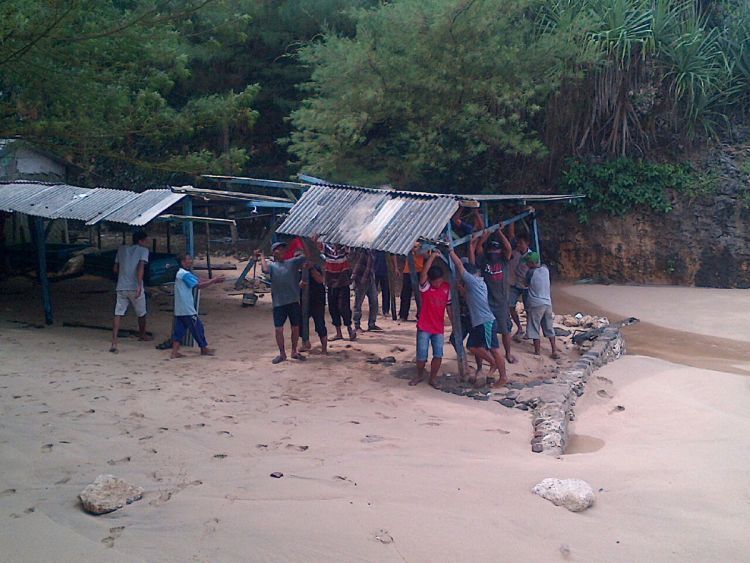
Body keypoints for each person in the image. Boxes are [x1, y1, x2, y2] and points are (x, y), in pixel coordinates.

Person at [449, 249, 508, 387]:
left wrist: (450, 251)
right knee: (472, 346)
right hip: (481, 322)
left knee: (494, 349)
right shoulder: (479, 283)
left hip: (485, 321)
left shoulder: (473, 281)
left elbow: (459, 265)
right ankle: (493, 364)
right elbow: (469, 295)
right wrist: (461, 289)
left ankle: (502, 375)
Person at [257, 241, 313, 364]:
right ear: (274, 253)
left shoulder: (292, 262)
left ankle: (293, 351)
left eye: (283, 249)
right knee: (279, 329)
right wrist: (261, 255)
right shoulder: (272, 266)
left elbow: (308, 257)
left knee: (295, 328)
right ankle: (282, 353)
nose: (281, 251)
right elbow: (264, 269)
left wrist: (306, 242)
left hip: (293, 301)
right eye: (279, 249)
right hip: (279, 303)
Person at [470, 229, 517, 363]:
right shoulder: (484, 261)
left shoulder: (504, 261)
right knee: (487, 329)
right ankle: (489, 352)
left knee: (505, 329)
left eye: (495, 249)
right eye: (491, 249)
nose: (493, 252)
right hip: (487, 302)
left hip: (502, 302)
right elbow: (478, 248)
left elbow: (508, 248)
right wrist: (486, 235)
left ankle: (508, 353)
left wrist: (499, 232)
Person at [170, 254, 225, 359]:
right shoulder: (184, 274)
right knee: (198, 328)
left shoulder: (181, 273)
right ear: (182, 262)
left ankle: (174, 352)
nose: (191, 261)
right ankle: (204, 349)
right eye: (189, 259)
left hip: (180, 308)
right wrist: (214, 280)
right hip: (187, 308)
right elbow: (198, 285)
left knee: (179, 330)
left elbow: (198, 280)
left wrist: (214, 280)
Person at [410, 251, 452, 387]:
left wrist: (453, 324)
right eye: (436, 281)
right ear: (431, 280)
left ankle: (432, 378)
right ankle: (419, 375)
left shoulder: (447, 288)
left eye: (440, 281)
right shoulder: (426, 287)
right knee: (422, 355)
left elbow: (449, 307)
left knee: (438, 354)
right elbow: (423, 274)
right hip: (424, 326)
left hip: (438, 328)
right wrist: (433, 256)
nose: (438, 284)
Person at [110, 230, 151, 353]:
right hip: (134, 286)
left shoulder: (121, 249)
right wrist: (139, 285)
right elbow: (140, 268)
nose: (147, 243)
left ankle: (114, 341)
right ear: (141, 241)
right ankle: (142, 334)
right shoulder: (143, 251)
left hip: (121, 286)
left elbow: (115, 268)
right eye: (146, 240)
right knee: (141, 312)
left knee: (118, 313)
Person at [524, 251, 560, 359]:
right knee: (549, 327)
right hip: (547, 303)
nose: (526, 265)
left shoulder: (530, 273)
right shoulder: (545, 270)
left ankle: (537, 352)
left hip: (536, 303)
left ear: (531, 263)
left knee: (534, 327)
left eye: (527, 263)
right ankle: (554, 350)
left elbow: (525, 284)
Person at [322, 242, 356, 341]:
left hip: (343, 281)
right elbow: (316, 243)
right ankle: (339, 333)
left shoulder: (345, 247)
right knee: (333, 308)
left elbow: (350, 253)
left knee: (344, 307)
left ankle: (350, 329)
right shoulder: (326, 247)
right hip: (331, 282)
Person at [507, 230, 532, 341]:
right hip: (514, 284)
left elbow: (537, 271)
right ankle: (520, 328)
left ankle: (529, 331)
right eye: (518, 243)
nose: (519, 245)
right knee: (510, 306)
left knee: (529, 309)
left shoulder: (532, 256)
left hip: (526, 287)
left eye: (521, 243)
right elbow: (511, 235)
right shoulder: (514, 253)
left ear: (527, 244)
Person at [299, 261, 328, 355]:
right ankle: (305, 343)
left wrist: (311, 269)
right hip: (303, 301)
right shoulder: (296, 270)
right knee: (300, 324)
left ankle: (324, 348)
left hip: (317, 301)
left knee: (320, 325)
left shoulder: (315, 266)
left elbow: (320, 280)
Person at [351, 248, 382, 332]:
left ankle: (372, 324)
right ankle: (357, 325)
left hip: (370, 278)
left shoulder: (372, 251)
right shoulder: (360, 250)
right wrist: (355, 278)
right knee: (358, 303)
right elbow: (357, 265)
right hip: (361, 278)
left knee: (374, 302)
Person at [396, 242, 425, 321]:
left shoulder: (424, 244)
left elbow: (427, 255)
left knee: (419, 294)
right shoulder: (409, 241)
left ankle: (420, 314)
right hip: (407, 271)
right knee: (405, 294)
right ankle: (403, 315)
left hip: (419, 271)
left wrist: (418, 250)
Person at [373, 250, 391, 317]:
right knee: (373, 292)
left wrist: (395, 268)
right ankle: (375, 310)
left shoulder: (387, 246)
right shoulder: (374, 245)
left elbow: (393, 255)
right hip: (375, 271)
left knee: (386, 291)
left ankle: (386, 310)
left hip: (385, 271)